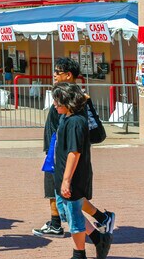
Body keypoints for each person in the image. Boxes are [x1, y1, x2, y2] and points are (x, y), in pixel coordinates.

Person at [33, 57, 115, 238]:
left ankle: (67, 228)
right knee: (67, 193)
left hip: (64, 151)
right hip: (58, 149)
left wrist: (61, 153)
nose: (53, 75)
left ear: (68, 75)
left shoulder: (73, 99)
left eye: (57, 72)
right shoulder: (65, 95)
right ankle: (100, 219)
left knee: (66, 192)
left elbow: (77, 131)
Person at [51, 82, 112, 259]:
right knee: (67, 213)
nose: (54, 104)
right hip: (62, 173)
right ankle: (98, 238)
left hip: (73, 177)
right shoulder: (65, 117)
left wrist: (66, 180)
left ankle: (79, 254)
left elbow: (74, 153)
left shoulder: (77, 122)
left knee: (74, 217)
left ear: (67, 102)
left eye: (57, 101)